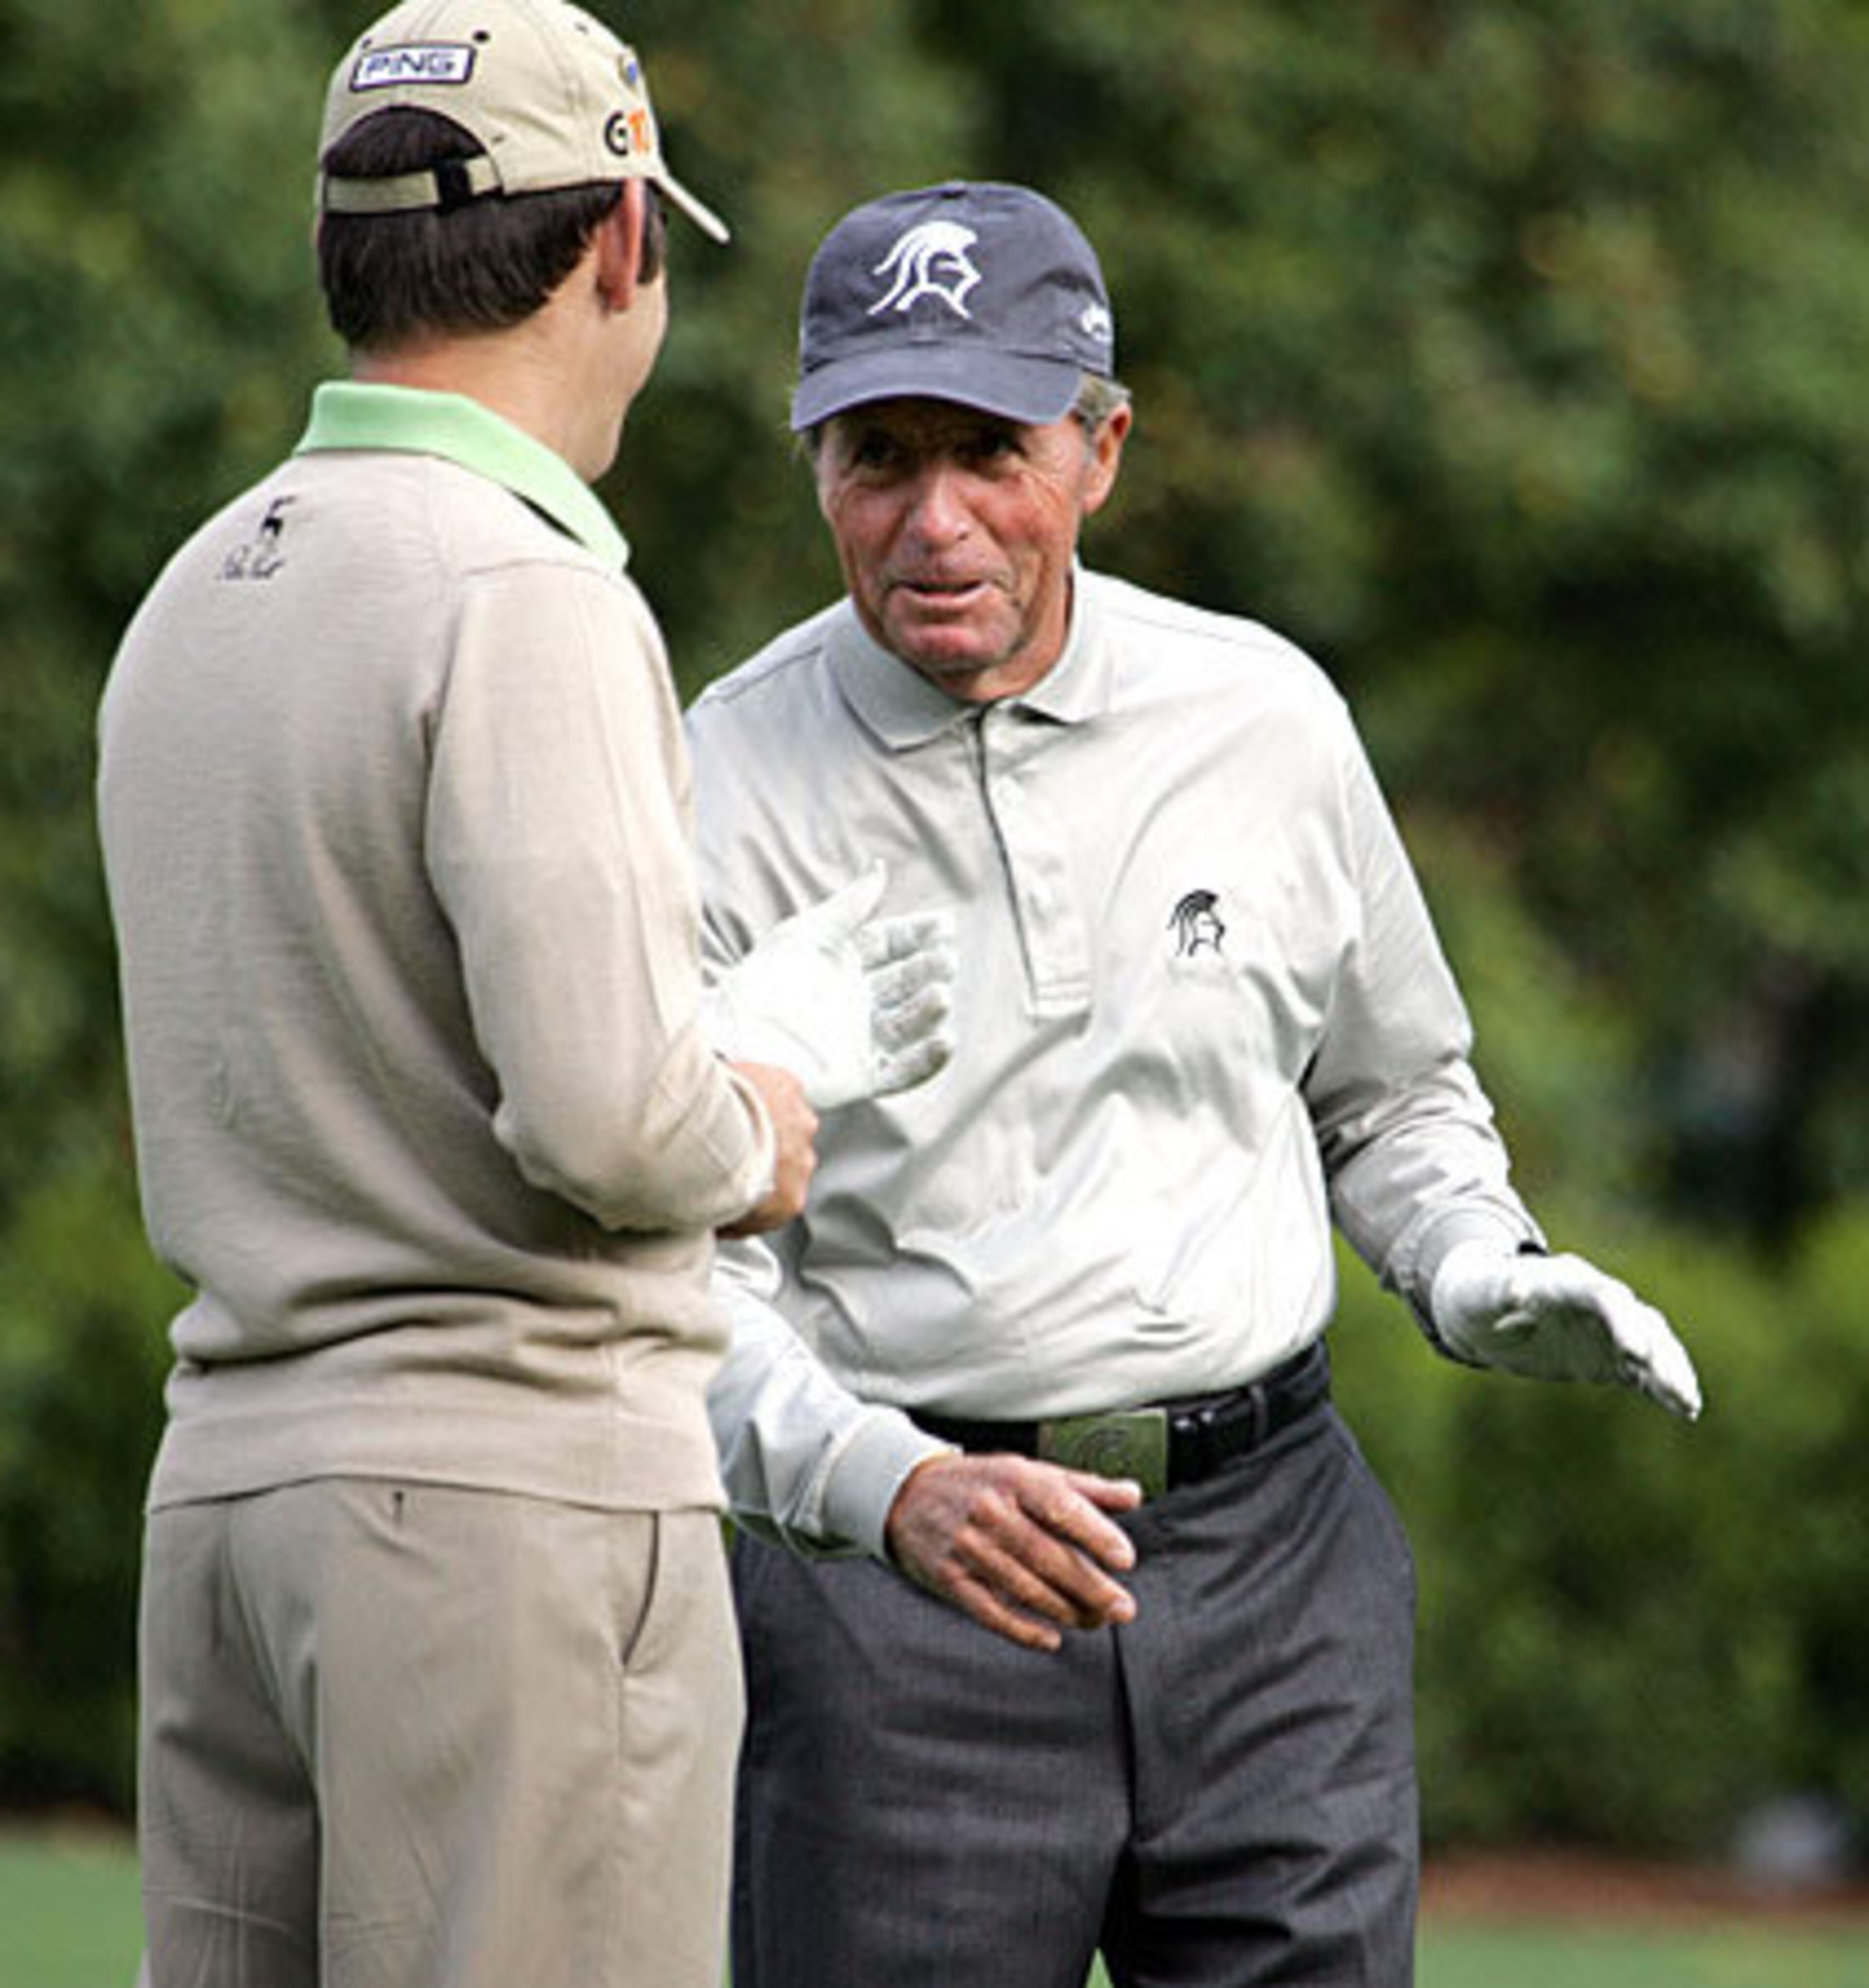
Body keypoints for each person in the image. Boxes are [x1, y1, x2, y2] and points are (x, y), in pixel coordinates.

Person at [686, 180, 1704, 1988]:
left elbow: (1391, 1099)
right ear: (813, 463)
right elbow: (676, 1278)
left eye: (991, 451)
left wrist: (1472, 1265)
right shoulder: (716, 781)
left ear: (1101, 447)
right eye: (877, 456)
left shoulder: (1268, 720)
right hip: (899, 1592)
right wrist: (883, 1487)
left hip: (1271, 1573)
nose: (935, 523)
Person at [96, 10, 951, 1987]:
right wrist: (765, 1100)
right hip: (505, 1514)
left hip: (228, 1496)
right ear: (624, 239)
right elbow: (605, 1123)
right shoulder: (528, 592)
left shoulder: (203, 583)